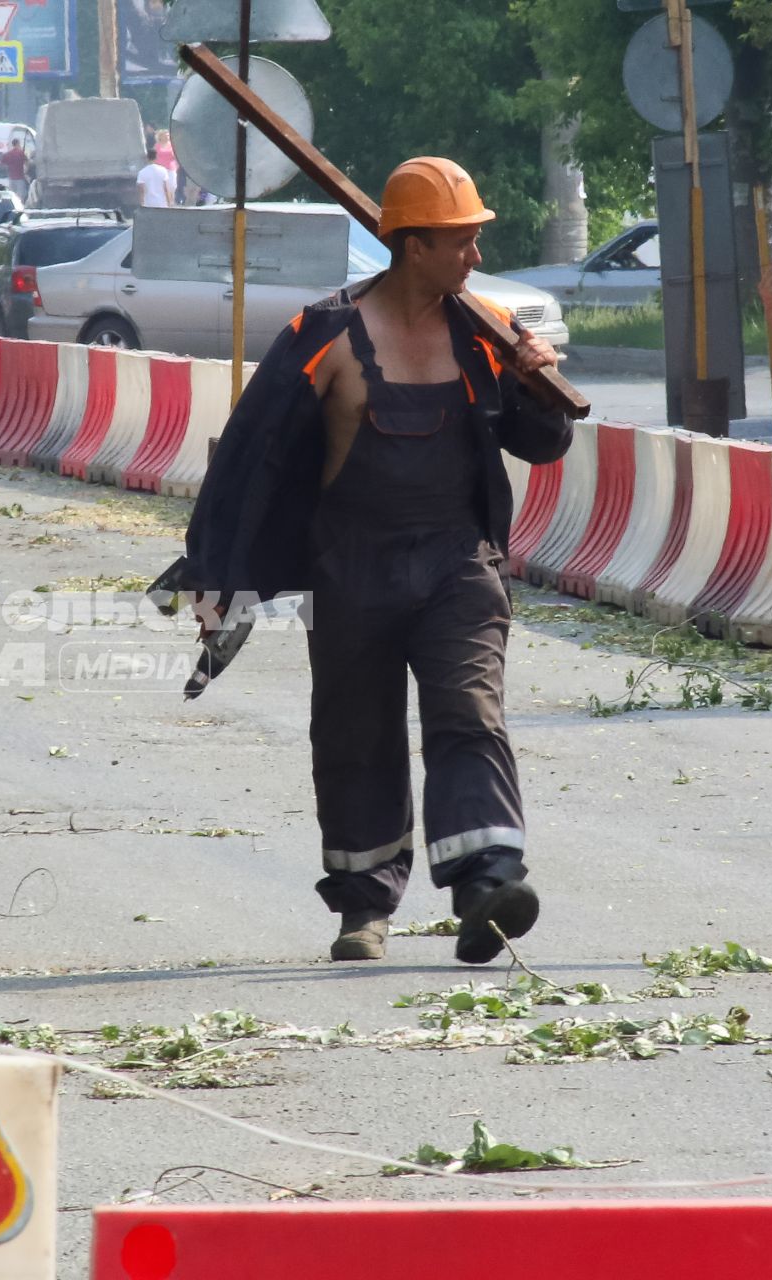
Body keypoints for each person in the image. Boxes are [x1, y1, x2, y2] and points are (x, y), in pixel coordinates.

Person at [159, 157, 572, 966]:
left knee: (468, 713)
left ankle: (487, 882)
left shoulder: (484, 333)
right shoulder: (324, 338)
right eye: (461, 241)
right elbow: (251, 460)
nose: (475, 257)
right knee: (355, 736)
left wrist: (536, 384)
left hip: (459, 563)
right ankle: (364, 907)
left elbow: (543, 443)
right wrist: (217, 575)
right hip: (351, 570)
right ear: (413, 246)